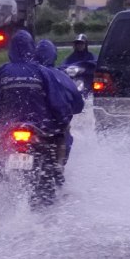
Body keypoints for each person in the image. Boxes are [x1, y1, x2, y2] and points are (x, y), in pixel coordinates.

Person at [0, 30, 82, 181]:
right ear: (31, 48)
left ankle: (1, 165)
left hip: (8, 127)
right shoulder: (42, 72)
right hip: (40, 126)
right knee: (60, 138)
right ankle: (57, 168)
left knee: (0, 148)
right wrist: (62, 120)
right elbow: (56, 102)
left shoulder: (1, 71)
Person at [34, 39, 86, 168]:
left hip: (23, 119)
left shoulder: (26, 72)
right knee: (64, 133)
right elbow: (76, 101)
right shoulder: (60, 76)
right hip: (50, 124)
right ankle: (58, 167)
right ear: (54, 55)